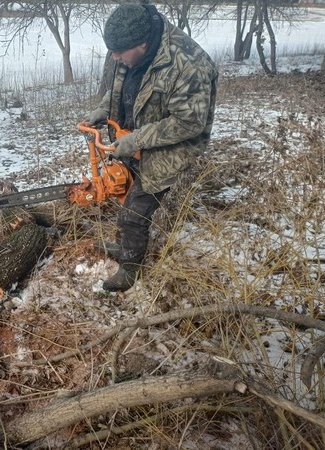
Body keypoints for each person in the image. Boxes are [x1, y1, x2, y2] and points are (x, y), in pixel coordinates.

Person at [85, 3, 218, 292]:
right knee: (127, 194)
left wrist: (136, 140)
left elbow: (188, 123)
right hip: (136, 136)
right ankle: (124, 245)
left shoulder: (189, 64)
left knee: (135, 212)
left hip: (170, 147)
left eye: (120, 52)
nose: (115, 57)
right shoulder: (131, 49)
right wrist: (103, 109)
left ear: (143, 43)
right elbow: (125, 85)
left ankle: (130, 268)